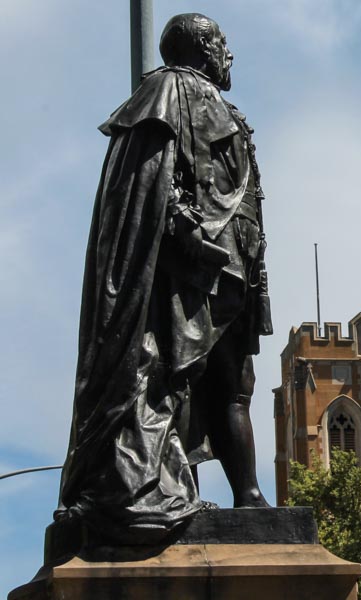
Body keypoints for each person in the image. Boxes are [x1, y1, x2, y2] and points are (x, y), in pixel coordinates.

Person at [55, 13, 272, 542]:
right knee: (178, 374)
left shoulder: (231, 112)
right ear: (200, 46)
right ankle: (172, 491)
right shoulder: (165, 89)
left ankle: (249, 496)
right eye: (222, 42)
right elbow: (152, 178)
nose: (230, 54)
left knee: (234, 382)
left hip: (238, 261)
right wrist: (180, 228)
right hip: (190, 266)